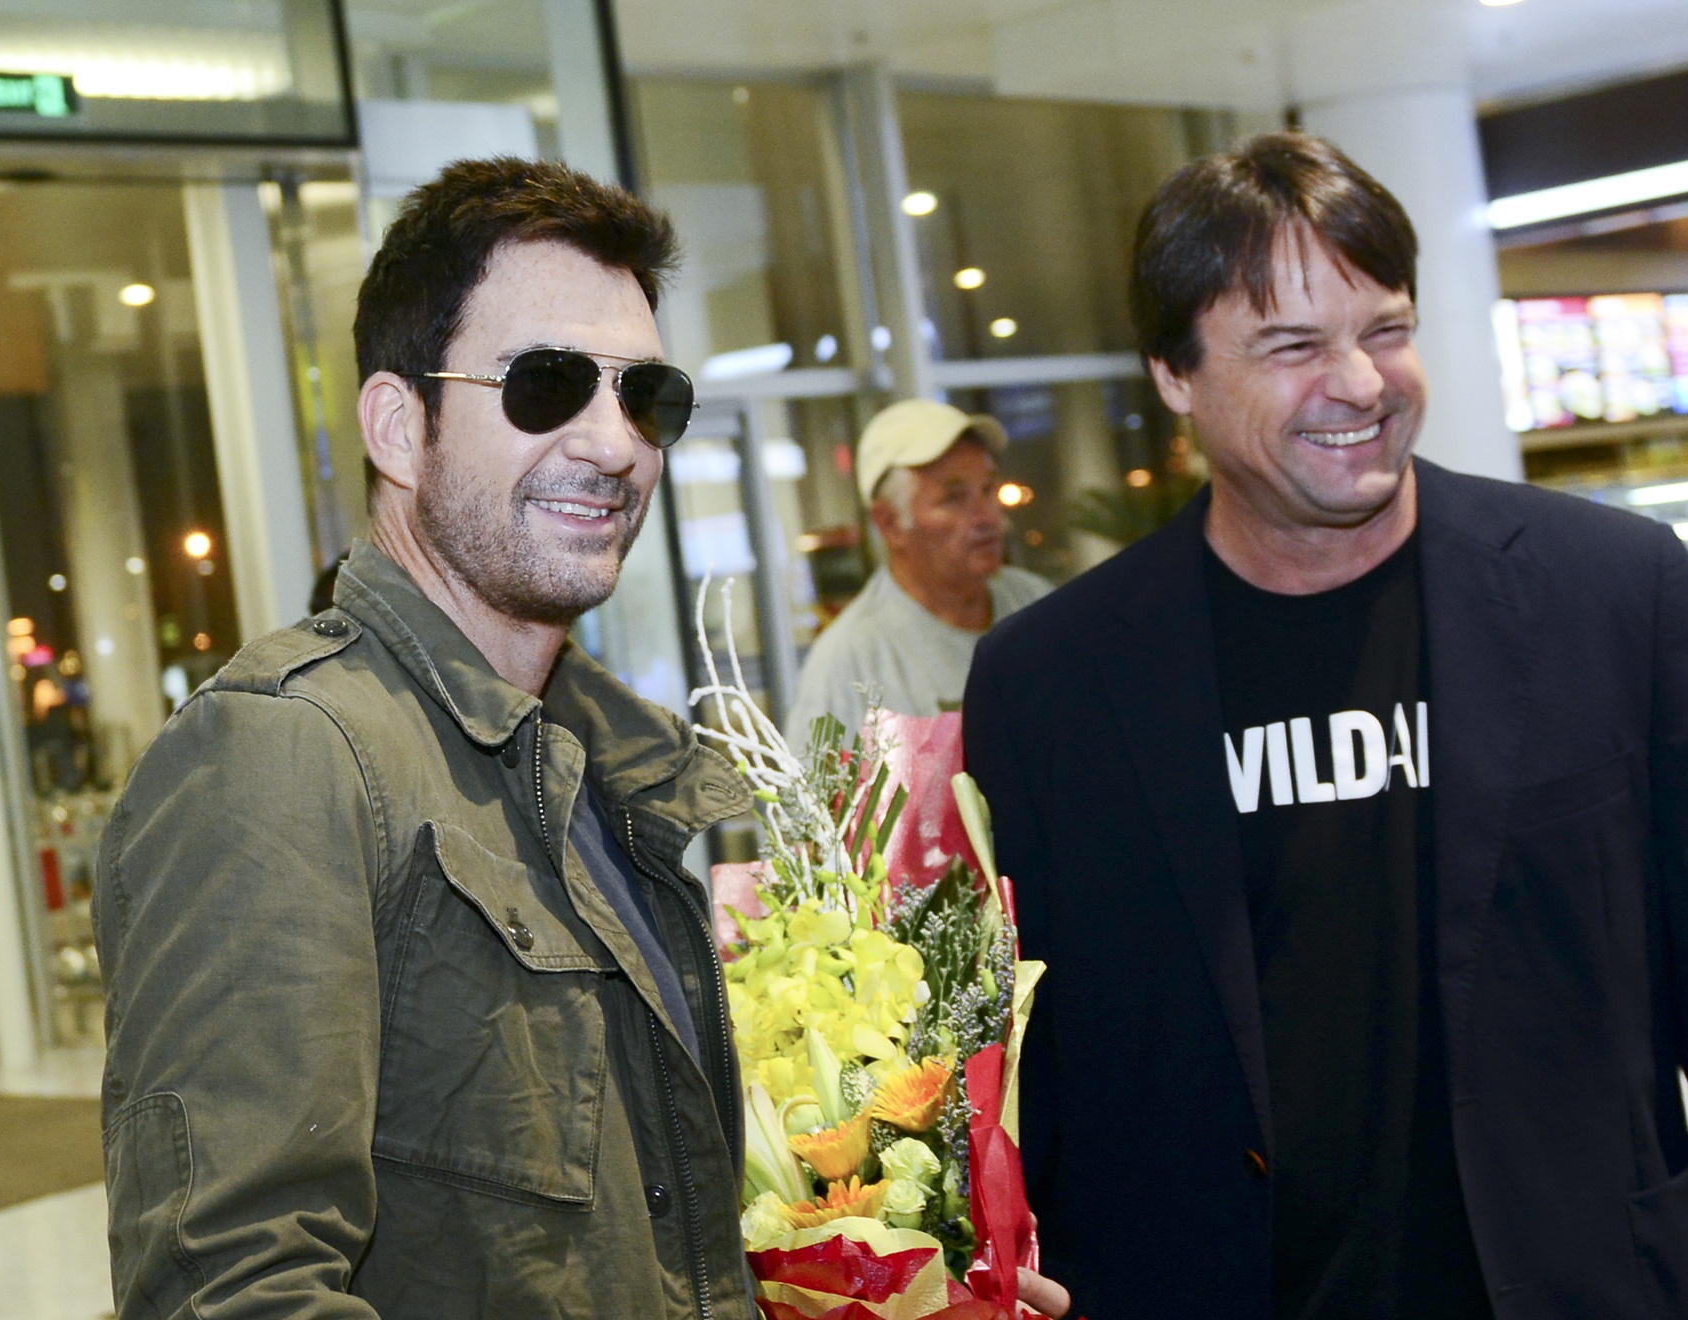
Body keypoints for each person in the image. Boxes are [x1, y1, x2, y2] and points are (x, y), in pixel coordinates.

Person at [964, 132, 1688, 1320]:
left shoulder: (1610, 595)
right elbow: (1034, 1070)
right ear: (1175, 375)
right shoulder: (1052, 681)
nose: (1359, 382)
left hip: (1585, 1282)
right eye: (1294, 345)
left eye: (1386, 329)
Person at [96, 157, 757, 1318]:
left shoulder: (604, 768)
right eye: (547, 384)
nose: (615, 445)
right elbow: (232, 1291)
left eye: (645, 395)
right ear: (399, 428)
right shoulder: (283, 758)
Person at [784, 398, 1050, 746]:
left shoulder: (1038, 606)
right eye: (954, 498)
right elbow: (808, 782)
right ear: (890, 523)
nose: (987, 517)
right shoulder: (849, 664)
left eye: (987, 490)